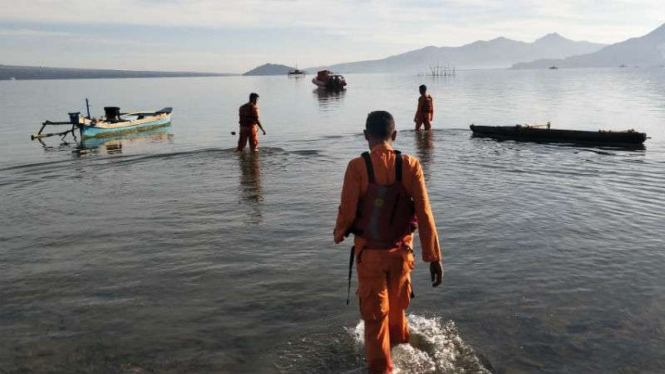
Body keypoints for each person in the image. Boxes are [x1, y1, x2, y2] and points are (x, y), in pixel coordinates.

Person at [334, 111, 443, 374]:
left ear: (365, 136)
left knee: (375, 320)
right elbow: (425, 212)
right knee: (397, 313)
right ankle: (402, 350)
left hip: (369, 256)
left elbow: (347, 212)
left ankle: (382, 369)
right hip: (402, 254)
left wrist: (338, 234)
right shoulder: (411, 165)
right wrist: (434, 257)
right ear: (394, 135)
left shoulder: (356, 167)